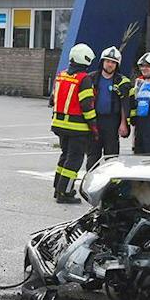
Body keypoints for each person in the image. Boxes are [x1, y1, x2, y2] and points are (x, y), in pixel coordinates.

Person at [50, 43, 98, 202]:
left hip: (59, 124)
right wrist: (94, 125)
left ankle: (58, 188)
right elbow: (87, 105)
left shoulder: (61, 75)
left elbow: (52, 100)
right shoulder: (84, 79)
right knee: (75, 159)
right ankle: (65, 192)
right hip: (77, 127)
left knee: (65, 156)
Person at [87, 46, 134, 166]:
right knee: (93, 155)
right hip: (94, 120)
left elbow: (125, 104)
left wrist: (124, 124)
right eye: (107, 61)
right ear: (102, 62)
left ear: (117, 65)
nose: (110, 65)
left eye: (113, 62)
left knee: (111, 157)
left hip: (112, 122)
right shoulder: (91, 78)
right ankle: (92, 183)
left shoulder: (122, 81)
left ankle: (110, 184)